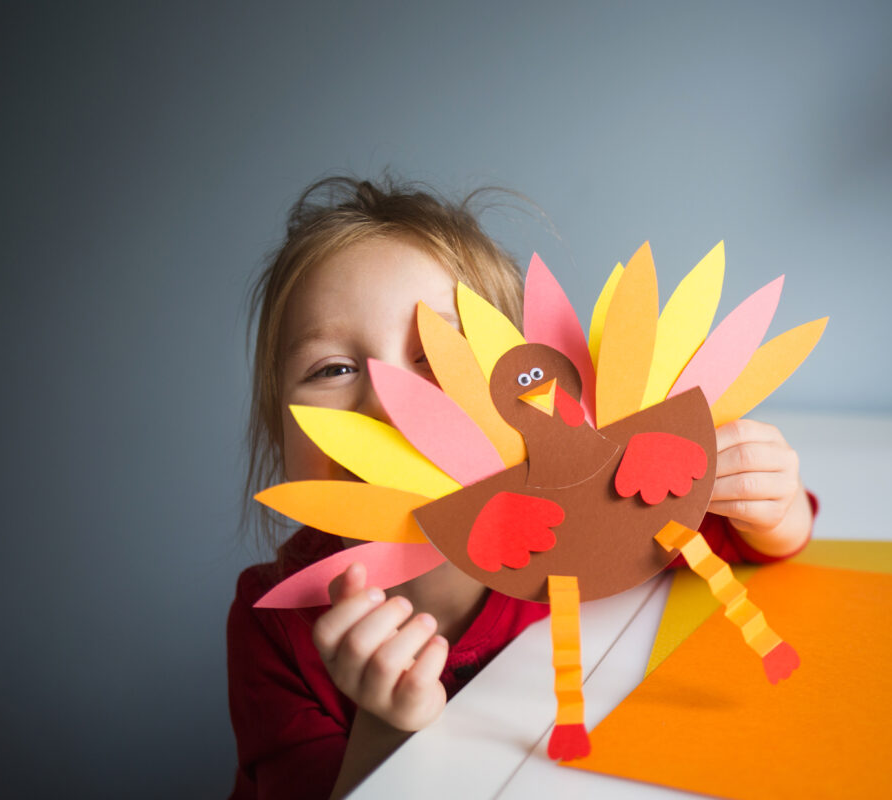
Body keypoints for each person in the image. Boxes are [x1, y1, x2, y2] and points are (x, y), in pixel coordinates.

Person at [226, 176, 816, 799]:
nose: (389, 402)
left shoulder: (579, 519)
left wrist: (775, 508)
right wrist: (385, 728)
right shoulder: (272, 623)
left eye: (437, 353)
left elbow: (736, 535)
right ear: (277, 423)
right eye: (333, 369)